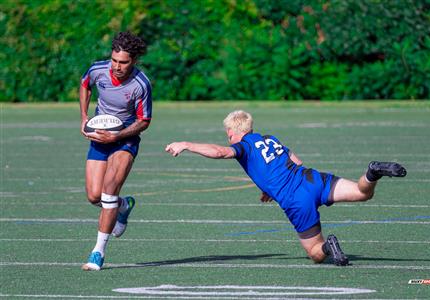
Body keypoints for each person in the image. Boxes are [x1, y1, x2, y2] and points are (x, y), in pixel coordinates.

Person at [165, 110, 407, 266]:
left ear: (232, 132)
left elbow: (219, 152)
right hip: (312, 179)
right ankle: (373, 171)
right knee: (362, 192)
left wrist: (185, 143)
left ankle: (328, 246)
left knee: (314, 251)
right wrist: (270, 187)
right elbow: (293, 159)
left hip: (295, 199)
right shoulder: (270, 138)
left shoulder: (243, 147)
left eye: (228, 133)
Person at [79, 31, 152, 271]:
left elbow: (144, 120)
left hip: (125, 139)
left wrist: (118, 135)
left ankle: (97, 252)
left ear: (133, 61)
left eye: (123, 62)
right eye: (114, 60)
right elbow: (85, 85)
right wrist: (84, 117)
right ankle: (123, 206)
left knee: (109, 191)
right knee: (94, 196)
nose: (117, 66)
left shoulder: (141, 84)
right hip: (101, 136)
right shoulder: (97, 70)